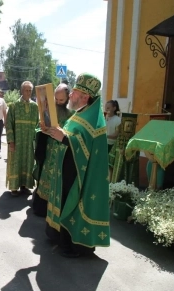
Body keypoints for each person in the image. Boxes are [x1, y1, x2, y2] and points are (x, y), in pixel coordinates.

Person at [46, 73, 110, 258]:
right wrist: (54, 132)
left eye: (75, 92)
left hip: (80, 176)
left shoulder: (94, 120)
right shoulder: (79, 114)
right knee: (65, 202)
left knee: (72, 203)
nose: (71, 94)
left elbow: (86, 149)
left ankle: (76, 246)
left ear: (85, 97)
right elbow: (69, 136)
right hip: (68, 170)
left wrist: (64, 138)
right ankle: (63, 240)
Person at [32, 84, 73, 217]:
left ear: (67, 98)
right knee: (45, 175)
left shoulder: (72, 113)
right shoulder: (49, 108)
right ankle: (42, 207)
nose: (58, 103)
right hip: (49, 149)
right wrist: (42, 128)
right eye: (56, 99)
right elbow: (43, 126)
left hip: (62, 152)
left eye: (61, 100)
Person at [5, 81, 39, 196]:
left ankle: (25, 185)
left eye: (30, 90)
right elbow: (8, 124)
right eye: (26, 90)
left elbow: (38, 125)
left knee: (28, 162)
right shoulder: (14, 105)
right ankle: (14, 187)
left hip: (29, 142)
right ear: (21, 91)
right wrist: (11, 141)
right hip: (17, 141)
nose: (28, 92)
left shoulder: (35, 107)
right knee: (16, 163)